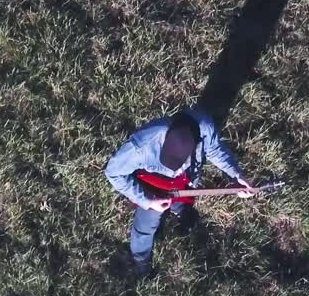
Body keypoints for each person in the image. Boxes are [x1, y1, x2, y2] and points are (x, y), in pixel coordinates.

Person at [105, 108, 255, 276]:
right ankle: (140, 259)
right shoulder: (142, 146)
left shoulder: (204, 128)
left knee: (183, 201)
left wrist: (236, 174)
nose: (173, 170)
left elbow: (214, 150)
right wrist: (147, 200)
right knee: (146, 225)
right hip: (153, 186)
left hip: (184, 182)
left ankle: (179, 210)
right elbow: (113, 172)